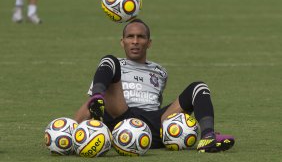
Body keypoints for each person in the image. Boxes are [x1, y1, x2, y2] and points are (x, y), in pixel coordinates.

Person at [74, 19, 235, 152]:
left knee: (198, 88)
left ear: (149, 42)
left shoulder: (160, 72)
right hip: (121, 118)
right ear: (122, 42)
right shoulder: (110, 67)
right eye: (130, 37)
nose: (135, 41)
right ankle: (98, 96)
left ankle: (207, 137)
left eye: (140, 37)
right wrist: (74, 130)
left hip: (153, 124)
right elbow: (90, 105)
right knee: (108, 60)